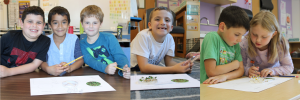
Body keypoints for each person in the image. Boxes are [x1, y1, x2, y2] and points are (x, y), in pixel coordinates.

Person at [130, 6, 193, 74]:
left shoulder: (170, 39)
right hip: (132, 66)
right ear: (150, 25)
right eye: (157, 19)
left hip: (148, 66)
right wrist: (173, 69)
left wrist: (183, 67)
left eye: (167, 20)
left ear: (171, 27)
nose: (163, 22)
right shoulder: (143, 36)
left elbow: (169, 62)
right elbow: (144, 67)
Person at [200, 6, 250, 84]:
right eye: (237, 34)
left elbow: (241, 71)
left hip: (226, 83)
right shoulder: (211, 37)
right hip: (209, 86)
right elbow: (211, 71)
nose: (240, 40)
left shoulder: (235, 44)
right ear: (222, 27)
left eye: (242, 35)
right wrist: (234, 65)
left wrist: (225, 76)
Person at [79, 5, 130, 79]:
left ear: (101, 24)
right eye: (87, 22)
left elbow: (120, 57)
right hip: (94, 77)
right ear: (82, 24)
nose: (91, 26)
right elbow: (90, 61)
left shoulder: (110, 38)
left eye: (95, 23)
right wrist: (105, 68)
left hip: (113, 77)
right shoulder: (81, 44)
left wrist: (124, 69)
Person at [240, 10, 293, 78]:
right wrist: (247, 71)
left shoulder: (280, 44)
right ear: (250, 29)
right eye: (254, 34)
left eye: (264, 37)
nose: (258, 40)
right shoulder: (244, 43)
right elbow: (240, 67)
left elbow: (289, 67)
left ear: (273, 34)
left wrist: (273, 71)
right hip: (254, 80)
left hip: (274, 79)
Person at [0, 6, 50, 78]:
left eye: (39, 22)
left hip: (24, 78)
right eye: (30, 21)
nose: (34, 25)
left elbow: (34, 64)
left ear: (43, 25)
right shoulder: (9, 37)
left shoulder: (45, 41)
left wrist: (8, 72)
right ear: (22, 23)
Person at [40, 6, 84, 76]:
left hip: (70, 77)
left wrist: (70, 68)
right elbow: (41, 61)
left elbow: (80, 60)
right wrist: (48, 69)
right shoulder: (45, 40)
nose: (60, 26)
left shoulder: (74, 39)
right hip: (50, 78)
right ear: (50, 25)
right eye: (55, 23)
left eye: (63, 22)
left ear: (68, 24)